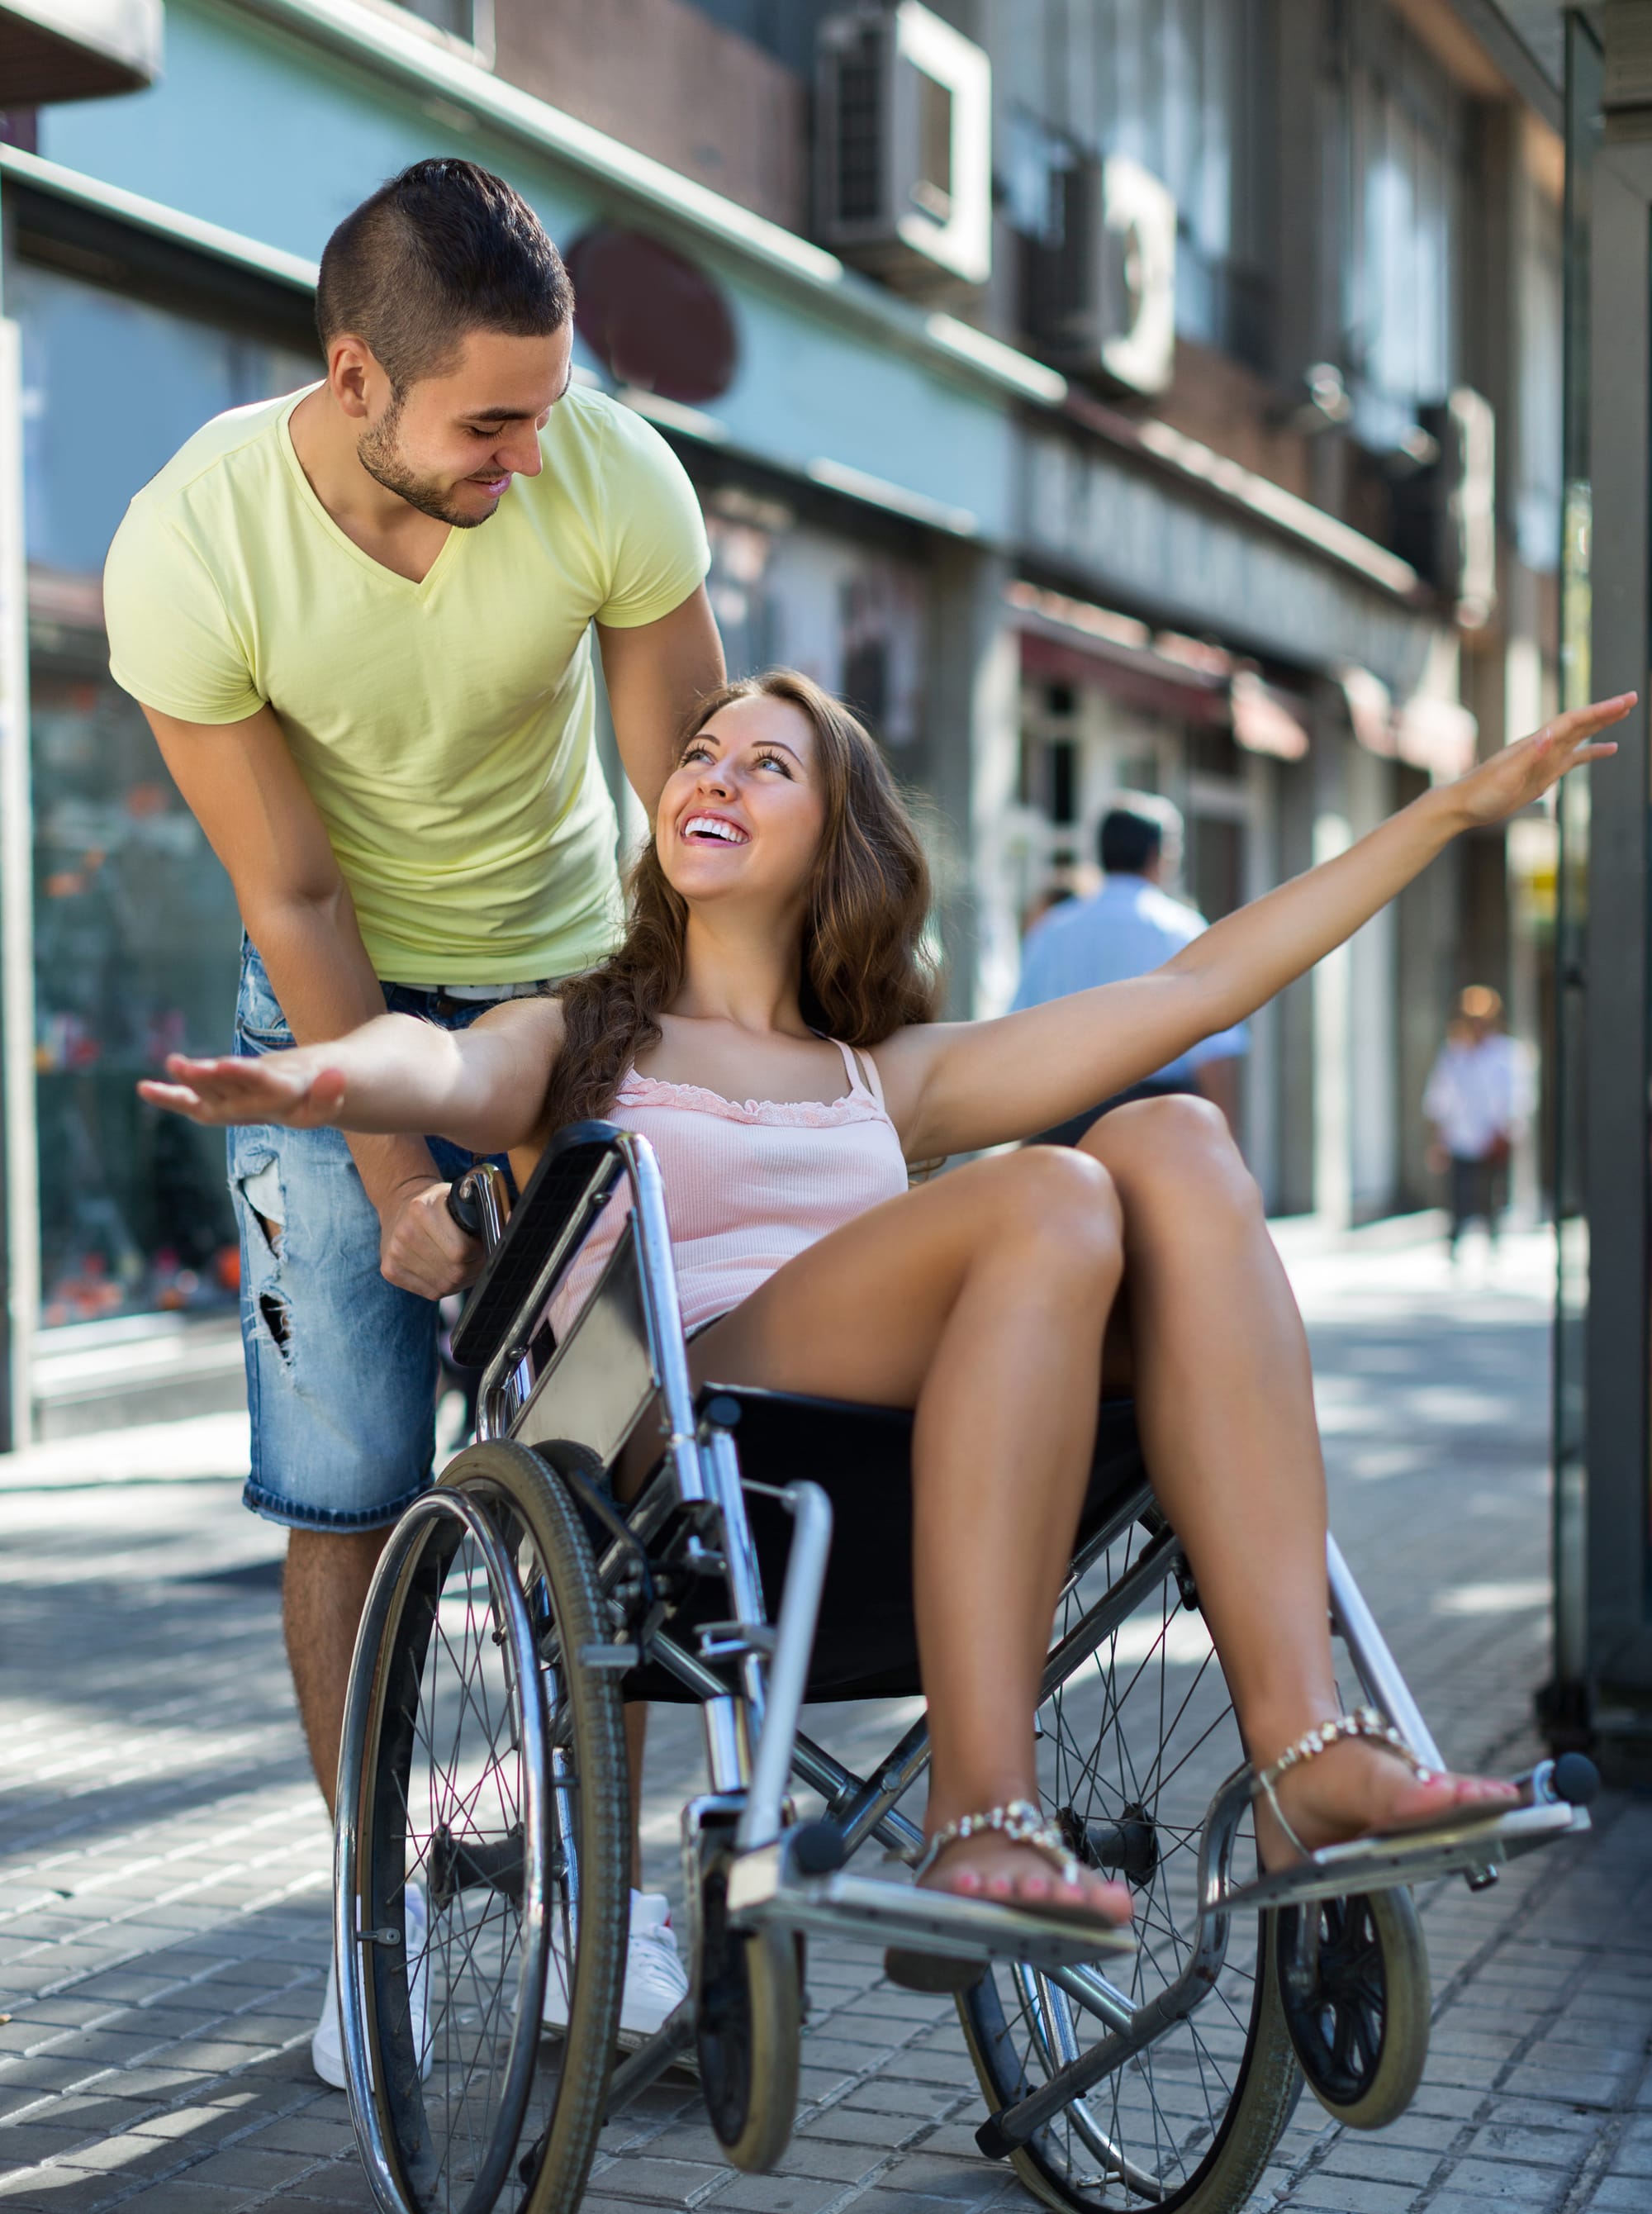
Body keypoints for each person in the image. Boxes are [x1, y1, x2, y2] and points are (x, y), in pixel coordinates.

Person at [140, 671, 1633, 1980]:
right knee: (1053, 1194)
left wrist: (1449, 813)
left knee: (1175, 1139)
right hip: (687, 1440)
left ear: (833, 841)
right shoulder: (585, 1031)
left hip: (935, 1461)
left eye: (763, 763)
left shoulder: (888, 1077)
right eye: (699, 754)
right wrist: (329, 1079)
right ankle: (980, 1810)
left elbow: (1197, 983)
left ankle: (1308, 1749)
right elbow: (447, 1071)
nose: (712, 774)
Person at [102, 159, 726, 2076]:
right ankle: (376, 1917)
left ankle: (589, 1906)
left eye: (548, 411)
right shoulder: (192, 544)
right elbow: (292, 904)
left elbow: (696, 824)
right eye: (488, 421)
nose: (531, 457)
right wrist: (387, 1175)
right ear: (355, 377)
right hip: (316, 1021)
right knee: (345, 1480)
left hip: (561, 1007)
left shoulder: (607, 473)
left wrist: (726, 1061)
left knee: (603, 1456)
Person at [1013, 796, 1248, 1143]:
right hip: (1154, 1126)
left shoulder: (1053, 928)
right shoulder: (1179, 929)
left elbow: (1018, 1033)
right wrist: (1226, 1138)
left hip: (1061, 1119)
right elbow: (1213, 1051)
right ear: (1159, 855)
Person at [1423, 986, 1532, 1255]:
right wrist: (1438, 1139)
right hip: (1461, 1137)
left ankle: (1493, 1243)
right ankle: (1455, 1246)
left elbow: (1518, 1095)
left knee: (1492, 1196)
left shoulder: (1507, 1053)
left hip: (1492, 1137)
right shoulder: (1455, 1053)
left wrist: (1508, 1131)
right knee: (1459, 1196)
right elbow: (1440, 1098)